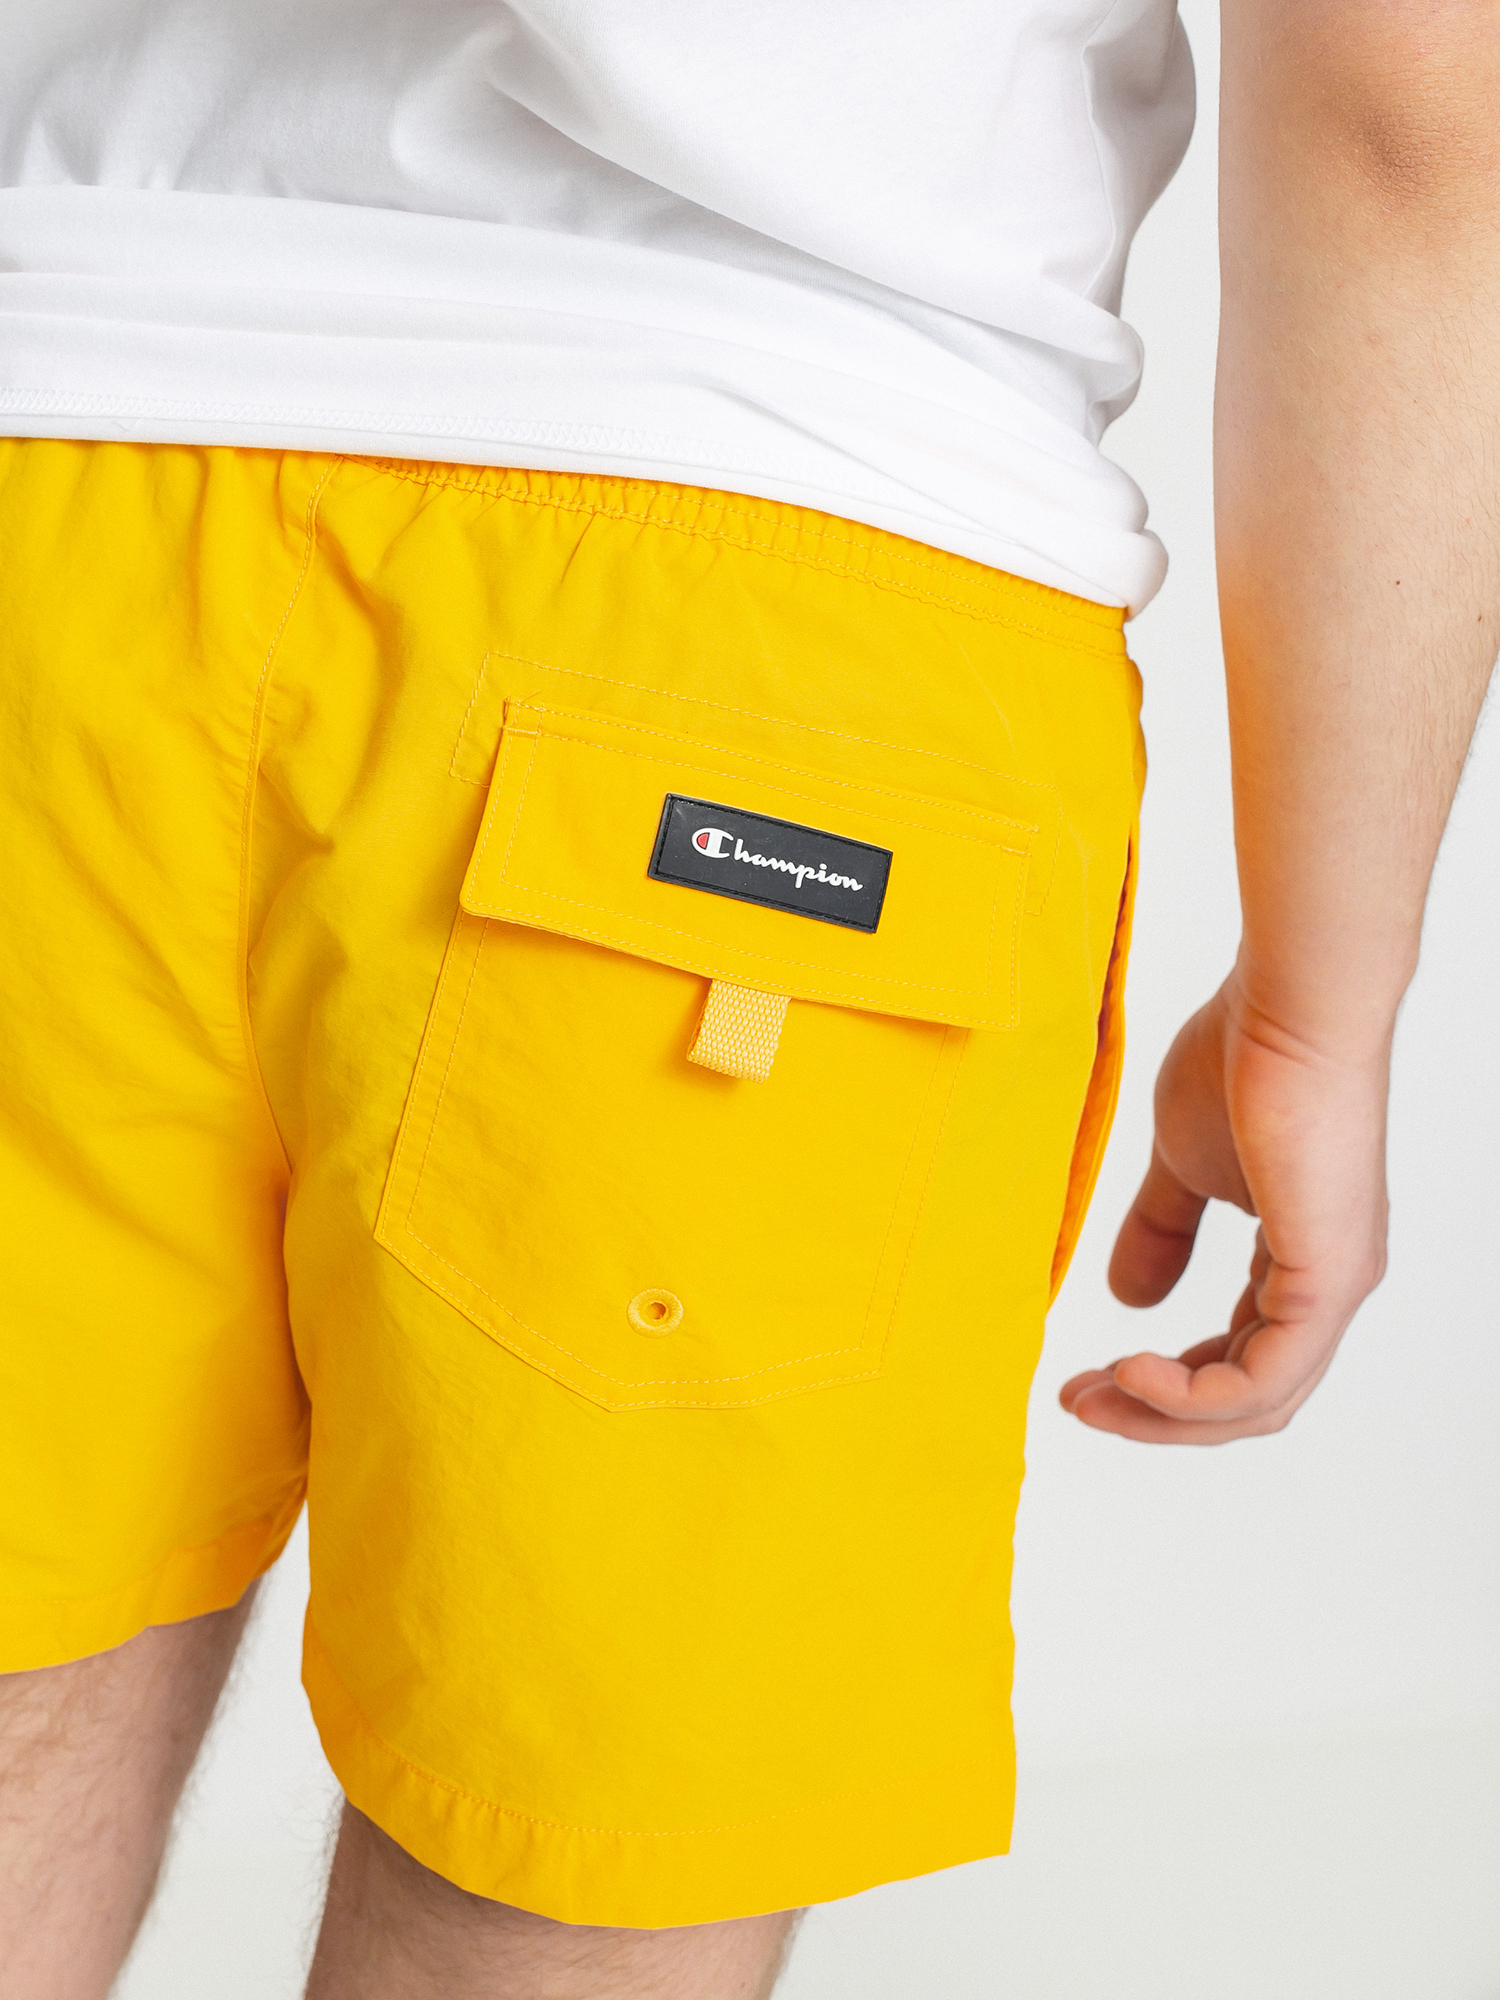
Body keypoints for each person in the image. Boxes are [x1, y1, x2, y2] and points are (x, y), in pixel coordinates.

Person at [0, 1, 1495, 1995]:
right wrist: (1321, 1000)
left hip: (59, 462)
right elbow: (1401, 99)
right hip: (777, 576)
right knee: (558, 1888)